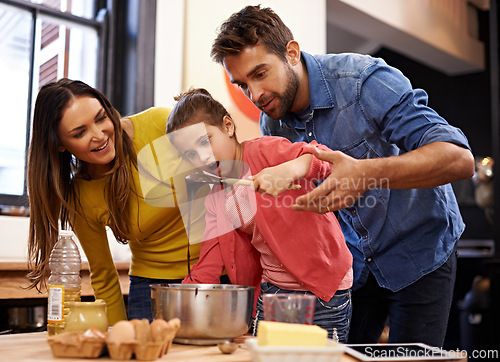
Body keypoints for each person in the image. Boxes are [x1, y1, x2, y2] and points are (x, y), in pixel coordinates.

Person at [210, 5, 475, 347]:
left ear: (291, 53)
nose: (255, 95)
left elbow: (459, 159)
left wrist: (366, 173)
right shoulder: (273, 123)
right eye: (243, 85)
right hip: (354, 269)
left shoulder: (363, 82)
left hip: (420, 252)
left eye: (260, 73)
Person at [166, 88, 353, 341]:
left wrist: (293, 168)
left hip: (322, 290)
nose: (203, 157)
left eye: (205, 140)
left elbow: (327, 160)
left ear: (228, 126)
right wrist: (173, 311)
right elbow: (208, 266)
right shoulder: (216, 198)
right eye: (190, 154)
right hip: (271, 292)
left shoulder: (267, 151)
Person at [26, 78, 206, 325]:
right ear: (58, 145)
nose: (99, 135)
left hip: (215, 273)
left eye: (101, 118)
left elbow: (222, 169)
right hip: (151, 289)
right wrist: (118, 333)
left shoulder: (159, 123)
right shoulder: (79, 196)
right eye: (80, 133)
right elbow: (104, 276)